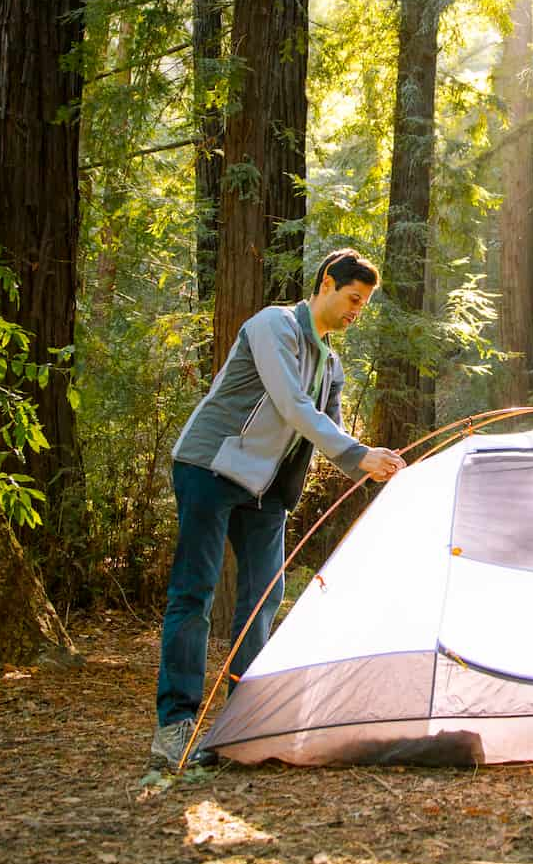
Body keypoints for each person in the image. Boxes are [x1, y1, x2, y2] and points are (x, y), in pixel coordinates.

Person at [149, 249, 405, 772]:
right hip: (210, 466)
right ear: (327, 284)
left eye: (364, 304)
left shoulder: (331, 363)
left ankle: (244, 724)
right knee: (194, 591)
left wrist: (373, 468)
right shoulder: (275, 325)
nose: (357, 310)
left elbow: (326, 432)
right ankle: (175, 724)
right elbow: (291, 404)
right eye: (353, 298)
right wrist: (358, 454)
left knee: (266, 594)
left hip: (266, 489)